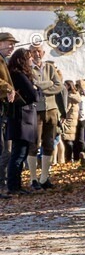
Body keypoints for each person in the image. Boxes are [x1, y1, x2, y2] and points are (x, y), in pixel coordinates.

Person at [30, 43, 64, 190]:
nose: (37, 54)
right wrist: (48, 83)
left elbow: (59, 86)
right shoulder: (28, 69)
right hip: (35, 111)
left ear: (43, 53)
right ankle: (33, 179)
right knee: (34, 144)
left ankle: (44, 178)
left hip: (51, 110)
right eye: (33, 51)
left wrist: (40, 86)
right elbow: (31, 86)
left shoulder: (50, 67)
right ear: (30, 53)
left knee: (49, 143)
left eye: (39, 51)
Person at [6, 48, 39, 195]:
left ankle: (16, 185)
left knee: (21, 152)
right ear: (23, 60)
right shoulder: (18, 74)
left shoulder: (16, 73)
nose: (32, 61)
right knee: (19, 153)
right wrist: (36, 89)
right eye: (30, 58)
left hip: (23, 117)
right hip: (22, 118)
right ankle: (14, 186)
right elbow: (34, 95)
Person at [0, 31, 17, 198]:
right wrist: (9, 88)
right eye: (8, 43)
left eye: (13, 44)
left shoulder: (4, 61)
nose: (12, 46)